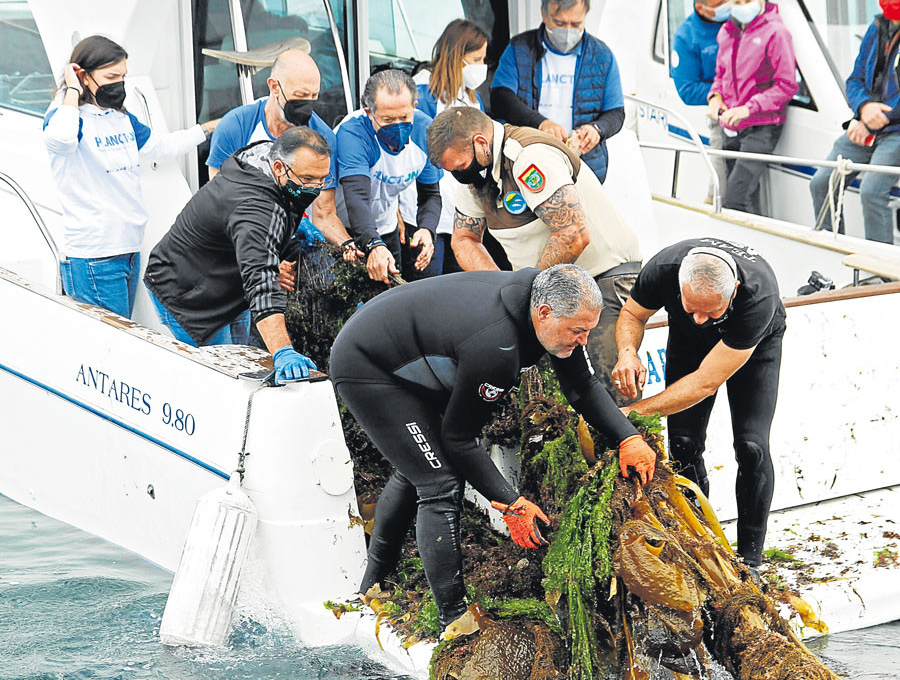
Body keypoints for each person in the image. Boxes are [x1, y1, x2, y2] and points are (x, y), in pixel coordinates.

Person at [331, 264, 657, 629]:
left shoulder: (547, 306)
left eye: (589, 331)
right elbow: (459, 439)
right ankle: (453, 619)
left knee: (418, 469)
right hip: (368, 365)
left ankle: (372, 586)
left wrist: (629, 437)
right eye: (578, 332)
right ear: (545, 313)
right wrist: (510, 503)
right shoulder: (496, 346)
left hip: (412, 353)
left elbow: (581, 385)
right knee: (438, 481)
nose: (583, 341)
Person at [427, 106, 642, 406]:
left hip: (603, 273)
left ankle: (635, 445)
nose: (459, 175)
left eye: (461, 166)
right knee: (552, 398)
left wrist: (529, 293)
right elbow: (464, 240)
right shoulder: (474, 176)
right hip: (549, 289)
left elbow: (573, 233)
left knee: (615, 388)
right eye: (452, 171)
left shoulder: (528, 155)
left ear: (481, 143)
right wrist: (503, 293)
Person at [611, 238, 786, 570]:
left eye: (712, 311)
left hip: (755, 347)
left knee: (751, 446)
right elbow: (633, 314)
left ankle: (751, 557)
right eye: (692, 308)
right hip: (688, 346)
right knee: (683, 444)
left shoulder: (757, 295)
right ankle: (700, 543)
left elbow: (706, 382)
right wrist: (628, 353)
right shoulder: (663, 270)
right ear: (679, 287)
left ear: (733, 290)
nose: (701, 319)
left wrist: (634, 412)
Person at [42, 35, 219, 319]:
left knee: (122, 338)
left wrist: (206, 129)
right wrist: (71, 92)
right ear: (84, 76)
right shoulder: (66, 117)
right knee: (108, 346)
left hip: (128, 249)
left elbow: (160, 147)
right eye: (111, 76)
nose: (119, 84)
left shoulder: (120, 117)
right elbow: (61, 141)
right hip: (94, 255)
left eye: (123, 76)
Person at [143, 128, 325, 383]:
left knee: (245, 360)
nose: (315, 189)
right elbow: (261, 282)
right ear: (279, 167)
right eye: (307, 179)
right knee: (225, 377)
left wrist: (292, 228)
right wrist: (283, 350)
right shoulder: (256, 208)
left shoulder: (264, 157)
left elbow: (262, 231)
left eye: (322, 180)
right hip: (188, 293)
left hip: (230, 284)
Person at [206, 48, 357, 254]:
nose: (308, 105)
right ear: (274, 86)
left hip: (296, 246)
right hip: (242, 240)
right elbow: (219, 205)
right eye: (301, 96)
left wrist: (347, 245)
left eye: (314, 96)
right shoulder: (236, 127)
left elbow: (325, 214)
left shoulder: (322, 137)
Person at [490, 0, 624, 183]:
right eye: (560, 23)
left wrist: (597, 129)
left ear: (585, 16)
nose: (568, 30)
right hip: (527, 159)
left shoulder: (602, 56)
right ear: (544, 14)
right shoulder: (519, 48)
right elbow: (501, 97)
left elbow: (616, 113)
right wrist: (540, 123)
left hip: (583, 166)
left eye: (576, 24)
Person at [809, 0, 900, 244]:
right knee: (822, 182)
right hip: (866, 121)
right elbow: (855, 78)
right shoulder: (876, 29)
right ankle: (830, 249)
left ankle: (885, 271)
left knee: (872, 191)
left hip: (895, 130)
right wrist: (863, 110)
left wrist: (881, 115)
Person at [334, 69, 442, 283]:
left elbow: (431, 193)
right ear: (368, 112)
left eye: (404, 117)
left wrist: (427, 229)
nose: (397, 125)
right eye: (387, 119)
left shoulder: (424, 131)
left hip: (386, 225)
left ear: (415, 108)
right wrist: (373, 244)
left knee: (391, 294)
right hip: (345, 228)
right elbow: (357, 197)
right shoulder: (353, 133)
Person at [706, 0, 797, 216]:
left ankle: (745, 252)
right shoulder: (727, 31)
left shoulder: (776, 32)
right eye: (737, 2)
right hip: (731, 125)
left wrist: (749, 107)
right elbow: (720, 76)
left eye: (748, 0)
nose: (743, 6)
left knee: (736, 197)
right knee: (743, 197)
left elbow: (787, 85)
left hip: (762, 126)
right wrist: (714, 98)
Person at [407, 19, 490, 278]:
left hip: (464, 213)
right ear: (457, 56)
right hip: (426, 211)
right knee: (429, 285)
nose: (481, 67)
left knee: (460, 287)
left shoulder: (472, 98)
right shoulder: (421, 92)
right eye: (476, 59)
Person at [671, 0, 729, 204]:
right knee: (721, 179)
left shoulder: (741, 18)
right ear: (700, 7)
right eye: (720, 3)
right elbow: (687, 89)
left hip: (754, 109)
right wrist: (720, 94)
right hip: (722, 113)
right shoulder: (686, 37)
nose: (729, 5)